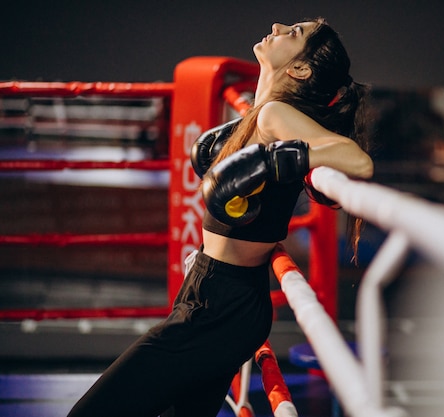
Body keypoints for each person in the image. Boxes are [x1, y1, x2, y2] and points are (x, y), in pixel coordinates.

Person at [67, 17, 373, 417]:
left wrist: (277, 159)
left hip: (222, 305)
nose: (278, 25)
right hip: (215, 293)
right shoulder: (258, 113)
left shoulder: (273, 116)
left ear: (299, 69)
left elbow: (359, 162)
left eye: (294, 33)